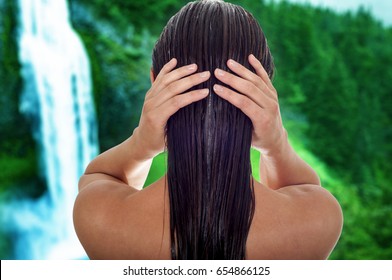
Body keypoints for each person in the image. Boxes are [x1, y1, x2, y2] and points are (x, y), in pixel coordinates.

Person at [73, 0, 343, 260]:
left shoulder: (99, 218)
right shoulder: (317, 220)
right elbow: (300, 189)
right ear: (264, 92)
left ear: (155, 82)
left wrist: (142, 143)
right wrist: (276, 143)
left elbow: (99, 175)